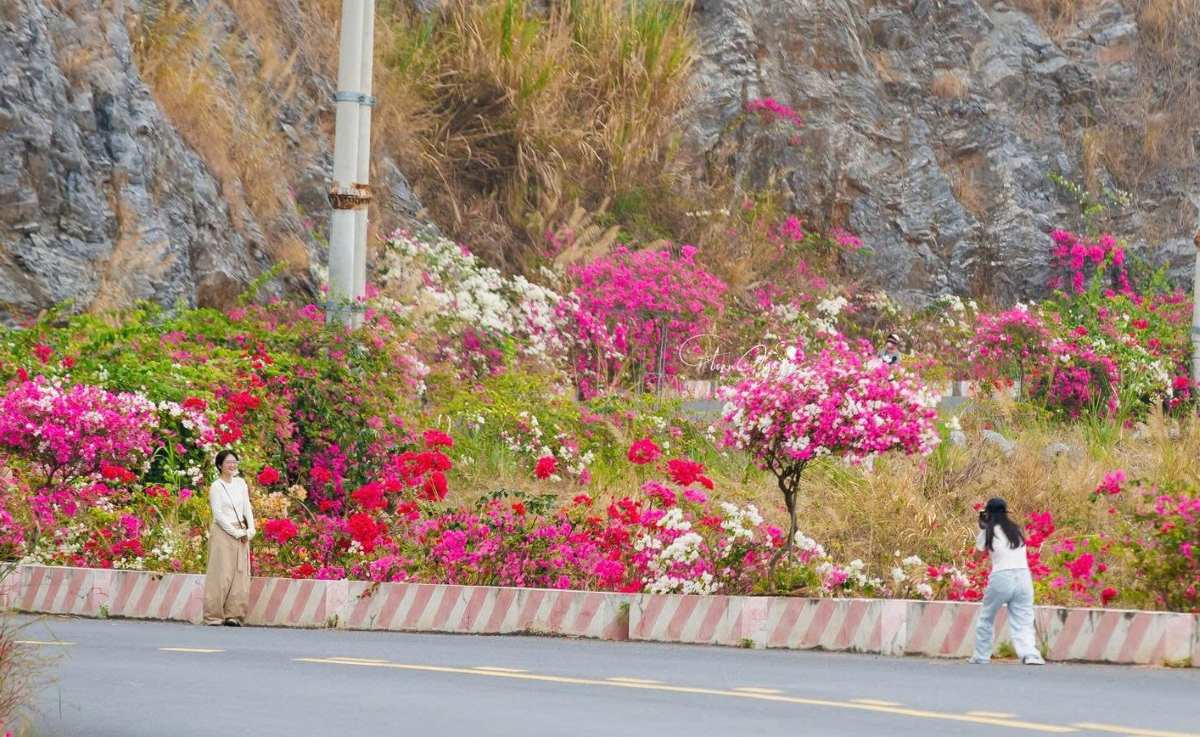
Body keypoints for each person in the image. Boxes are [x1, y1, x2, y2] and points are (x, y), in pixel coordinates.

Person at [969, 497, 1045, 665]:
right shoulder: (1017, 530)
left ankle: (981, 656)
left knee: (987, 617)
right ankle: (1031, 655)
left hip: (1001, 576)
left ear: (988, 514)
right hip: (1023, 576)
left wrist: (981, 529)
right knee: (1023, 619)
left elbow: (977, 557)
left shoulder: (988, 532)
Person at [203, 450, 255, 626]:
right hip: (223, 533)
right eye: (228, 462)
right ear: (220, 465)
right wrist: (235, 532)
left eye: (235, 462)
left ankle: (234, 615)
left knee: (240, 574)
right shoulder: (216, 486)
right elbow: (218, 514)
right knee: (221, 574)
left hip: (241, 531)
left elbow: (247, 507)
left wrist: (251, 528)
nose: (232, 465)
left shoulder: (241, 484)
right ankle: (214, 616)